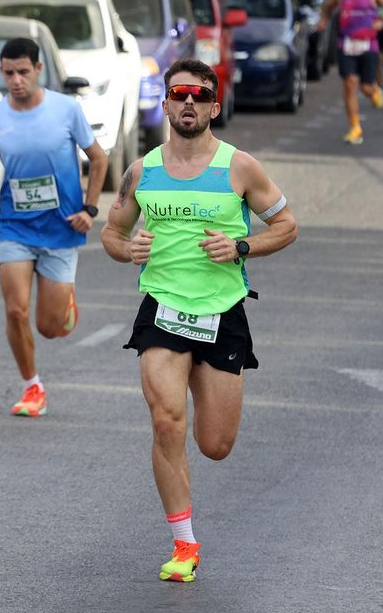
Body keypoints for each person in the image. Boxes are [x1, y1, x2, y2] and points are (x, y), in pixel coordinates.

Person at [99, 59, 297, 583]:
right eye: (178, 93)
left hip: (221, 313)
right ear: (165, 104)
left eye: (199, 94)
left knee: (215, 444)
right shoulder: (142, 171)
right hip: (162, 309)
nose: (188, 102)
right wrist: (128, 249)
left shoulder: (240, 168)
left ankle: (191, 495)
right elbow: (112, 233)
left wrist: (240, 245)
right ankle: (183, 544)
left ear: (213, 106)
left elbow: (286, 226)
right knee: (166, 420)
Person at [0, 37, 108, 418]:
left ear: (38, 70)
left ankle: (62, 302)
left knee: (50, 327)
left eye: (23, 72)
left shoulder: (66, 109)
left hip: (62, 226)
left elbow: (98, 159)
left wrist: (90, 209)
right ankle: (32, 385)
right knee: (15, 311)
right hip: (15, 225)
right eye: (8, 73)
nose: (16, 81)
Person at [317, 0, 383, 145]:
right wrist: (323, 20)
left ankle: (374, 91)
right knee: (349, 83)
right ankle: (355, 127)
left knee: (365, 86)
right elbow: (328, 7)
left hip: (368, 44)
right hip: (346, 44)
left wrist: (382, 20)